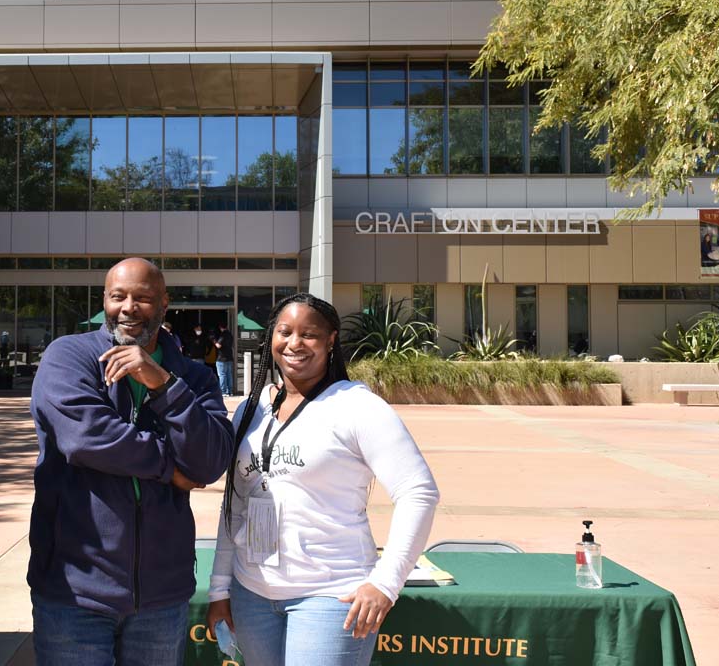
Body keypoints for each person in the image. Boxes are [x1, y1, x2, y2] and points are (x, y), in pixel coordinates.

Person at [206, 293, 439, 666]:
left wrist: (385, 583)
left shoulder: (356, 406)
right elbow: (235, 503)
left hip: (331, 595)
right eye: (285, 332)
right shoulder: (252, 409)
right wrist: (220, 588)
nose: (295, 343)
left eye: (309, 334)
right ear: (271, 339)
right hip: (251, 595)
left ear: (331, 341)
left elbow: (419, 492)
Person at [28, 258, 235, 666]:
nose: (128, 307)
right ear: (104, 299)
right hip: (75, 589)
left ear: (163, 303)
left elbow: (210, 461)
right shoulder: (68, 356)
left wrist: (163, 385)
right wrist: (169, 468)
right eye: (117, 296)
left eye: (142, 297)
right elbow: (86, 438)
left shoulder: (193, 376)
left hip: (162, 597)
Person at [214, 320, 235, 396]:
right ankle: (230, 391)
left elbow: (218, 345)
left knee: (222, 375)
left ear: (220, 327)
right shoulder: (230, 334)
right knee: (229, 374)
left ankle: (223, 391)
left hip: (221, 358)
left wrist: (214, 340)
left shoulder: (223, 335)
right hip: (229, 357)